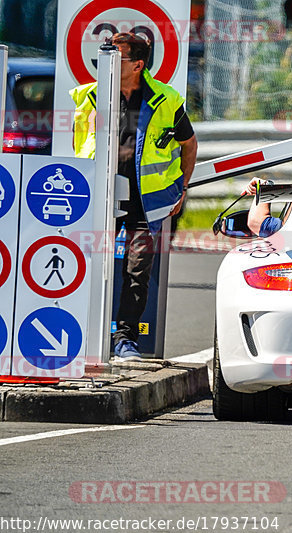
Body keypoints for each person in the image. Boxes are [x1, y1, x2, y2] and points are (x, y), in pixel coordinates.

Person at [71, 32, 198, 360]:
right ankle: (85, 335)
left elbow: (188, 144)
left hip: (147, 202)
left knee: (137, 270)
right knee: (91, 263)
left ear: (138, 65)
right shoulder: (91, 96)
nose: (106, 62)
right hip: (100, 197)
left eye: (117, 56)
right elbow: (80, 144)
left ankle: (125, 339)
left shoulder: (165, 99)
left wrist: (181, 186)